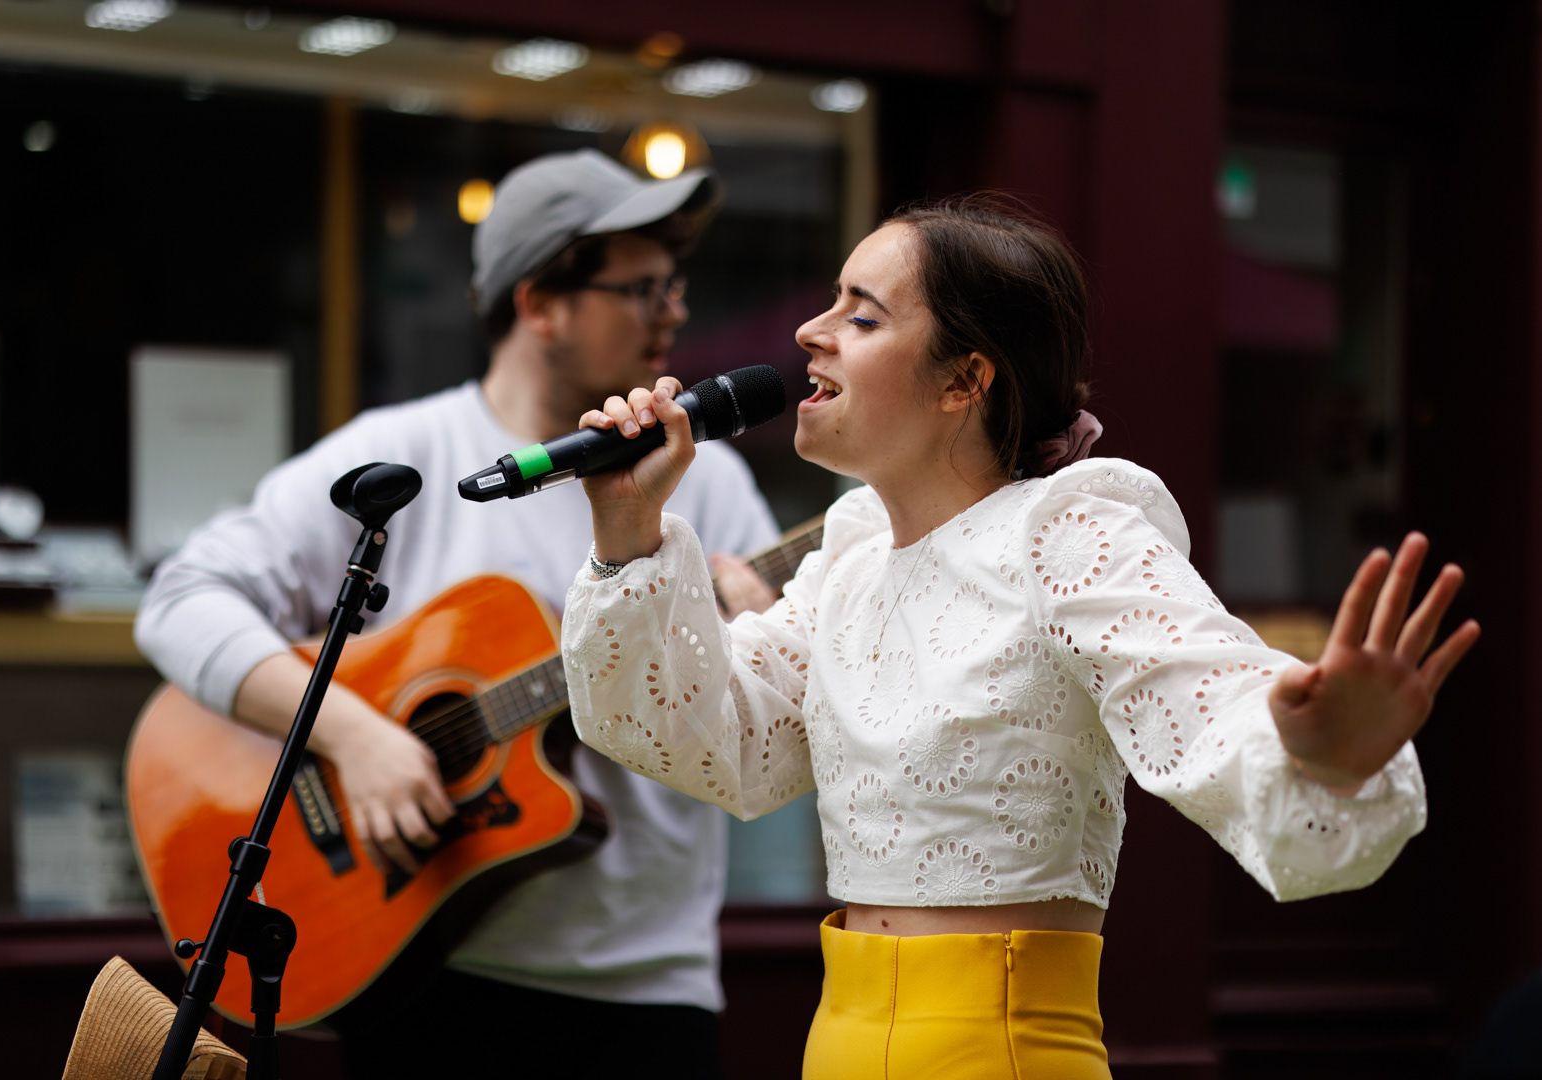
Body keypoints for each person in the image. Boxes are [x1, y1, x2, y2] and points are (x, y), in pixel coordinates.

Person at [559, 193, 1480, 1078]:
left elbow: (1207, 695)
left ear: (964, 380)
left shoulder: (1065, 531)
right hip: (836, 1041)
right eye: (830, 301)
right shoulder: (850, 561)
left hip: (998, 1050)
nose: (810, 331)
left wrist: (1319, 755)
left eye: (863, 316)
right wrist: (627, 531)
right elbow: (715, 741)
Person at [134, 150, 780, 1078]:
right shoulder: (407, 454)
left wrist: (749, 638)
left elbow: (764, 729)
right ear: (539, 304)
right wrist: (356, 737)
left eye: (673, 285)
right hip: (418, 975)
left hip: (646, 989)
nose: (673, 312)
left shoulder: (709, 482)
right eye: (642, 289)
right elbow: (181, 598)